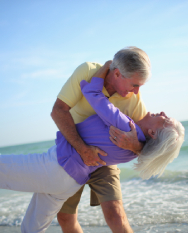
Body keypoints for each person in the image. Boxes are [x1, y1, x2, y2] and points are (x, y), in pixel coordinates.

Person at [0, 73, 185, 233]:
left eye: (165, 120)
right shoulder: (133, 149)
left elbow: (92, 92)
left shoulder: (125, 126)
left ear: (153, 134)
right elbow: (142, 151)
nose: (162, 113)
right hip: (67, 180)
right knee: (34, 225)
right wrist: (137, 146)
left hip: (56, 167)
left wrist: (105, 68)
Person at [51, 46, 150, 232]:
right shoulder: (87, 71)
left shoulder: (134, 100)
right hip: (73, 153)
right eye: (134, 85)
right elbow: (58, 111)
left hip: (103, 160)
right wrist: (82, 149)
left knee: (116, 215)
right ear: (118, 74)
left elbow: (149, 142)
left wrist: (135, 145)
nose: (136, 92)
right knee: (65, 218)